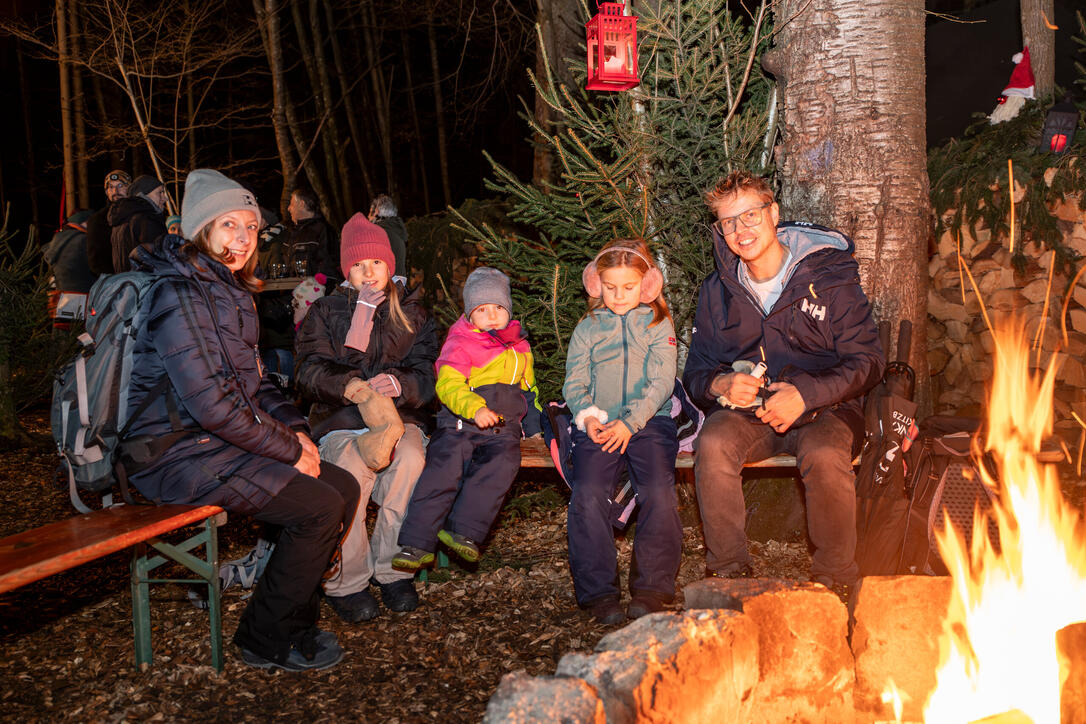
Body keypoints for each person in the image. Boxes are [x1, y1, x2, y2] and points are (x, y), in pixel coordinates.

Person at [123, 168, 359, 671]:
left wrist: (295, 429)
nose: (244, 238)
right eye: (229, 225)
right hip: (170, 451)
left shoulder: (229, 290)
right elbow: (212, 404)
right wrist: (291, 451)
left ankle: (294, 621)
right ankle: (263, 638)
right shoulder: (177, 294)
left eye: (251, 226)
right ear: (201, 230)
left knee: (342, 489)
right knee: (317, 507)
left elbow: (256, 384)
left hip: (211, 440)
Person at [683, 170, 884, 593]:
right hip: (751, 413)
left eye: (751, 215)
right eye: (728, 222)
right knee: (714, 443)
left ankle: (835, 577)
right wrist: (721, 385)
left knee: (827, 454)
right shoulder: (718, 291)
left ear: (774, 213)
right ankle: (729, 571)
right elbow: (696, 372)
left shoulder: (829, 277)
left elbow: (868, 361)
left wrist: (807, 394)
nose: (742, 230)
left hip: (825, 408)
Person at [294, 213, 439, 620]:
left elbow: (429, 373)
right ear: (347, 271)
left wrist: (400, 385)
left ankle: (393, 572)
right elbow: (307, 371)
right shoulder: (324, 310)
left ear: (389, 265)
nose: (368, 272)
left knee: (410, 461)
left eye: (375, 263)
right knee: (350, 471)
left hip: (401, 418)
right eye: (357, 265)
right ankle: (348, 581)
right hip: (341, 420)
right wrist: (351, 369)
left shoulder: (413, 310)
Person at [392, 267, 542, 570]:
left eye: (498, 308)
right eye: (482, 309)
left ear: (508, 310)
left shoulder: (520, 347)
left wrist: (534, 428)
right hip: (462, 424)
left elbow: (529, 390)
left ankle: (464, 531)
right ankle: (416, 543)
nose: (491, 315)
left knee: (501, 467)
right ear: (470, 314)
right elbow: (447, 384)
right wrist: (474, 409)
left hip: (503, 430)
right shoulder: (460, 342)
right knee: (443, 471)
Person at [563, 239, 680, 624]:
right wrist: (587, 415)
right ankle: (599, 594)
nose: (618, 296)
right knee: (588, 493)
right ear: (597, 285)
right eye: (610, 287)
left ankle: (651, 589)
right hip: (600, 421)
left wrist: (632, 422)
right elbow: (574, 382)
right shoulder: (588, 328)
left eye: (628, 287)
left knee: (659, 493)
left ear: (646, 286)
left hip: (648, 421)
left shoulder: (658, 322)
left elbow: (663, 380)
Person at [42, 210, 96, 328]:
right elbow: (96, 269)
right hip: (82, 306)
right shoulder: (84, 241)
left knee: (61, 342)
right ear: (85, 222)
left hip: (58, 305)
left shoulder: (54, 241)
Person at [108, 174, 167, 273]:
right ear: (143, 195)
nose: (165, 198)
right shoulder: (146, 219)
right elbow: (160, 262)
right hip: (147, 285)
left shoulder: (121, 220)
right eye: (159, 193)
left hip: (128, 284)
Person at [284, 187, 338, 280]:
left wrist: (317, 284)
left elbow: (329, 264)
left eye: (291, 204)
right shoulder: (293, 232)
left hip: (316, 290)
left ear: (301, 204)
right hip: (293, 288)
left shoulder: (323, 230)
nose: (288, 208)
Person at [86, 170, 130, 275]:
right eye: (111, 187)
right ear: (106, 192)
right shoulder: (98, 220)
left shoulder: (138, 215)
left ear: (129, 188)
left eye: (120, 185)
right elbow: (96, 260)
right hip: (114, 283)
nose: (115, 190)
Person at [368, 194, 407, 282]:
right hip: (398, 282)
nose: (368, 217)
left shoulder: (378, 233)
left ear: (377, 212)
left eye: (370, 213)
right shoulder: (395, 230)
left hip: (386, 285)